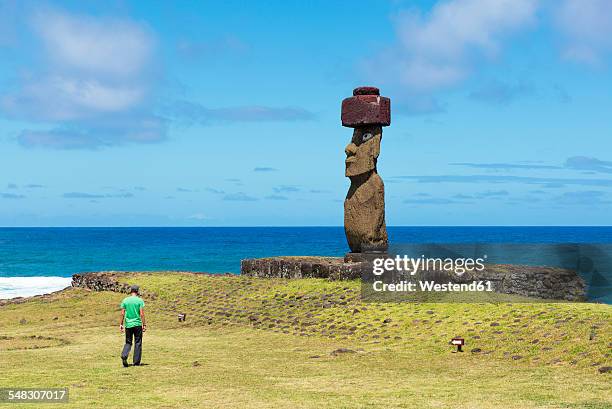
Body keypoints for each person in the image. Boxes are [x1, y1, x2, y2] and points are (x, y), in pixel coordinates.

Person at [119, 285, 146, 367]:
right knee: (138, 343)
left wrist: (121, 324)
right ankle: (136, 362)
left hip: (128, 325)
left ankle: (124, 355)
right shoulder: (140, 300)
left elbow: (122, 313)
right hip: (137, 324)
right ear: (137, 291)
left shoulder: (125, 300)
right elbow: (141, 314)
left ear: (131, 291)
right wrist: (144, 324)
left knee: (128, 342)